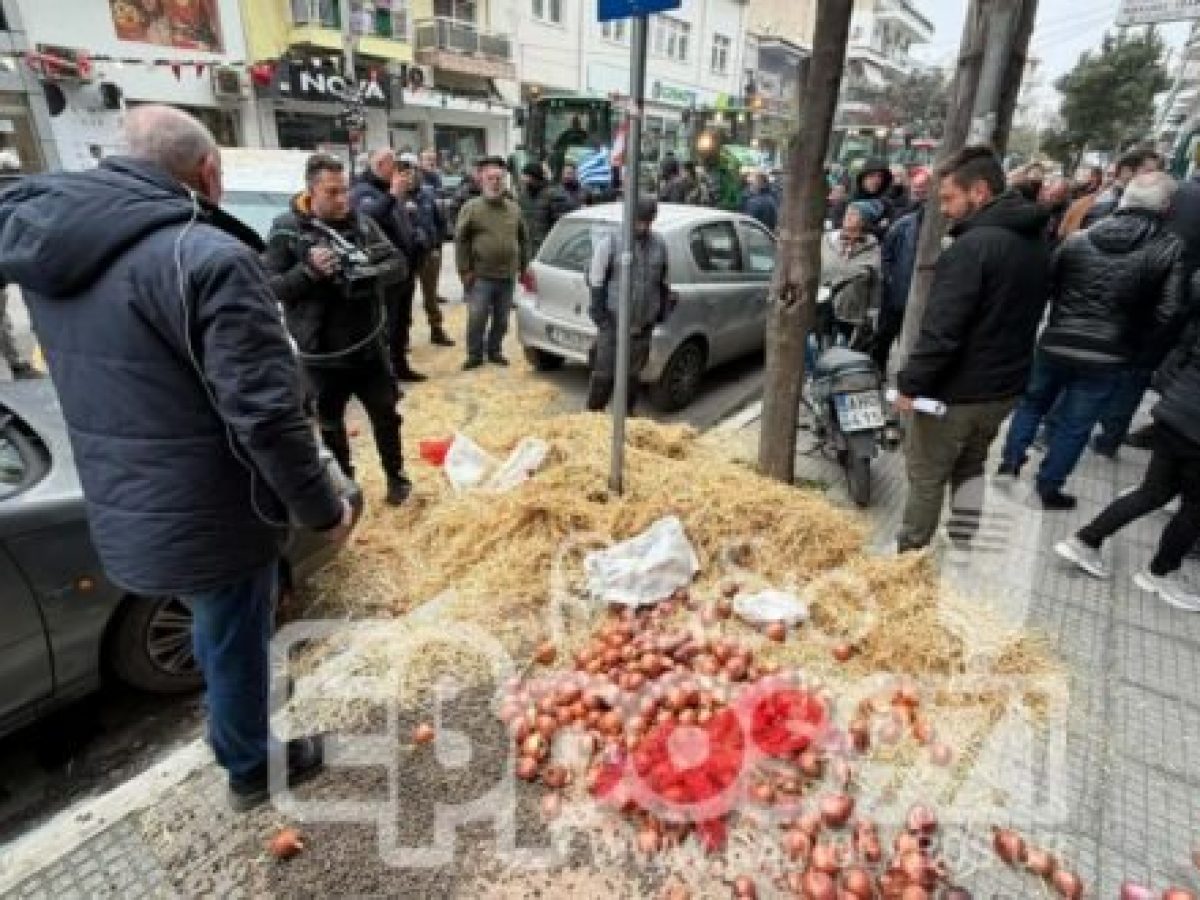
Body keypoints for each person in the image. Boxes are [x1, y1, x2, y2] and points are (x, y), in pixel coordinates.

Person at [0, 105, 356, 810]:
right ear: (209, 171)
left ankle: (232, 732)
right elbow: (265, 415)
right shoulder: (209, 257)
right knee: (234, 634)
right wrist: (323, 506)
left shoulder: (47, 244)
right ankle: (250, 766)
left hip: (121, 488)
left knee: (212, 625)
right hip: (211, 503)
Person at [894, 146, 1051, 552]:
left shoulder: (972, 247)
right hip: (1004, 387)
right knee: (972, 464)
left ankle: (907, 559)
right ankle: (963, 538)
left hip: (957, 391)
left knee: (927, 475)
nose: (944, 210)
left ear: (979, 192)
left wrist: (910, 384)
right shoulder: (1034, 240)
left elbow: (942, 330)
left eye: (948, 198)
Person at [997, 172, 1183, 507]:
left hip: (1056, 340)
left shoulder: (1079, 239)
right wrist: (1136, 343)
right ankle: (1048, 487)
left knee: (1032, 404)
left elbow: (1049, 285)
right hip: (1110, 353)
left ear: (1124, 199)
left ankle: (1009, 463)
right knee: (1075, 425)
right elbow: (1168, 311)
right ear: (1166, 207)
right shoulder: (1168, 249)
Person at [266, 153, 414, 507]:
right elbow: (269, 287)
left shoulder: (362, 225)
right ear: (311, 191)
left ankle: (396, 479)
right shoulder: (286, 230)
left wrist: (368, 274)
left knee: (386, 415)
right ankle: (346, 487)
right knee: (330, 424)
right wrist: (309, 273)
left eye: (344, 190)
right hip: (320, 354)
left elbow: (398, 263)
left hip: (367, 348)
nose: (341, 199)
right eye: (332, 192)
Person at [1054, 314, 1200, 611]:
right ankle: (1161, 572)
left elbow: (1182, 351)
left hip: (1176, 413)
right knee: (1194, 509)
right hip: (1195, 428)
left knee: (1152, 492)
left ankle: (1086, 540)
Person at [347, 148, 428, 382]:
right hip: (386, 273)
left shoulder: (388, 190)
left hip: (405, 270)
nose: (399, 171)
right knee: (387, 325)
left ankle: (400, 366)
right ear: (381, 164)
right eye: (394, 165)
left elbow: (399, 221)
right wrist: (393, 194)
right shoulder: (364, 191)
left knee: (402, 323)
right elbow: (368, 218)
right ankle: (386, 375)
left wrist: (416, 236)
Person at [586, 198, 673, 411]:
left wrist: (661, 309)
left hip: (642, 325)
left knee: (632, 375)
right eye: (638, 221)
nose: (642, 226)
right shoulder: (612, 242)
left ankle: (626, 417)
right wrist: (600, 316)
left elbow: (663, 280)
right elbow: (595, 279)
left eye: (646, 221)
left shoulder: (659, 244)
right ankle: (592, 416)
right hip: (613, 321)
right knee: (604, 373)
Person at [455, 156, 530, 369]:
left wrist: (524, 267)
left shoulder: (514, 208)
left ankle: (495, 350)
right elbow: (461, 239)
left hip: (507, 276)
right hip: (481, 275)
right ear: (482, 181)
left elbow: (524, 239)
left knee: (502, 319)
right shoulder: (472, 207)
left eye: (499, 179)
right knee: (477, 317)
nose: (496, 183)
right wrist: (464, 269)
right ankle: (474, 354)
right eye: (491, 179)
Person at [874, 168, 931, 374]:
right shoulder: (903, 225)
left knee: (913, 341)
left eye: (924, 187)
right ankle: (878, 369)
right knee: (884, 336)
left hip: (923, 299)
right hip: (896, 293)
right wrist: (889, 278)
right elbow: (886, 253)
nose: (919, 190)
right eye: (917, 186)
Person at [396, 152, 455, 348]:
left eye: (410, 171)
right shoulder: (395, 197)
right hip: (406, 256)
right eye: (403, 172)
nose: (408, 177)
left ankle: (436, 330)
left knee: (431, 295)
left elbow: (440, 222)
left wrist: (437, 245)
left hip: (429, 253)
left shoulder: (429, 193)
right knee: (405, 298)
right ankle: (403, 336)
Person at [819, 201, 882, 348]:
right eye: (848, 212)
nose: (848, 216)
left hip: (852, 314)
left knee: (843, 354)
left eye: (854, 214)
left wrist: (873, 312)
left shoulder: (872, 248)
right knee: (819, 351)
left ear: (864, 221)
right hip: (823, 310)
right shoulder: (827, 240)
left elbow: (876, 282)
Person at [517, 161, 560, 259]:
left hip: (546, 250)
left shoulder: (552, 195)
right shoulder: (523, 197)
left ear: (534, 177)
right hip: (527, 249)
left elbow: (558, 224)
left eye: (525, 176)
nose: (523, 179)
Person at [851, 157, 895, 237]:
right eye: (871, 175)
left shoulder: (886, 204)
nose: (876, 180)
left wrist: (863, 226)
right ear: (863, 177)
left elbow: (889, 231)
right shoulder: (847, 202)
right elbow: (842, 228)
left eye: (880, 176)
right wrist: (876, 227)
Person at [1038, 175, 1072, 248]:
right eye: (1050, 194)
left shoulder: (1067, 213)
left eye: (1056, 197)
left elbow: (1060, 238)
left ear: (1065, 196)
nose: (1050, 198)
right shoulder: (1037, 203)